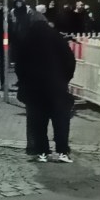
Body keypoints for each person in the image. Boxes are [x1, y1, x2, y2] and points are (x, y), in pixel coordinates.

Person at [17, 9, 76, 162]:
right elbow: (70, 61)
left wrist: (24, 81)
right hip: (56, 87)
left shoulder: (27, 39)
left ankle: (42, 152)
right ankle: (62, 152)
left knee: (38, 122)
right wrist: (64, 79)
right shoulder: (57, 37)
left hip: (35, 89)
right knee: (60, 121)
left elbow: (19, 65)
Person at [7, 0, 32, 81]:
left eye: (20, 2)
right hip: (16, 39)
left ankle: (25, 79)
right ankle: (19, 79)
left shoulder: (28, 11)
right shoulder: (13, 12)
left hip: (26, 39)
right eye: (17, 2)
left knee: (25, 60)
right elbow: (10, 25)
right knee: (17, 61)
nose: (18, 4)